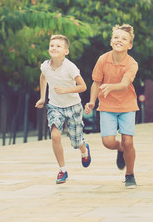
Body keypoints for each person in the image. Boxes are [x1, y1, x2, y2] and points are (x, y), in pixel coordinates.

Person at [84, 24, 139, 188]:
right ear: (111, 41)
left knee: (128, 141)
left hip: (127, 105)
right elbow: (96, 83)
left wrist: (111, 87)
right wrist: (92, 101)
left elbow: (124, 84)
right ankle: (121, 149)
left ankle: (130, 174)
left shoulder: (132, 64)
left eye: (124, 38)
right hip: (107, 106)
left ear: (130, 45)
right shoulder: (103, 59)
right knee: (108, 142)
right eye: (116, 37)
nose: (119, 40)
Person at [35, 34, 91, 184]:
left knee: (76, 141)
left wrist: (65, 90)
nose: (54, 48)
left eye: (58, 46)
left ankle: (84, 150)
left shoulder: (70, 67)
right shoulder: (45, 66)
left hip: (73, 107)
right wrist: (42, 97)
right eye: (52, 45)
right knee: (55, 136)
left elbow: (83, 87)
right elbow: (43, 77)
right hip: (55, 106)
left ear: (66, 51)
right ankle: (62, 170)